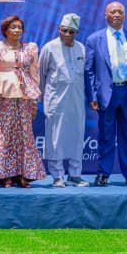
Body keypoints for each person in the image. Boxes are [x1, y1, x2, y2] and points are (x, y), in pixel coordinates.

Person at [84, 1, 127, 187]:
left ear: (124, 15)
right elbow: (89, 70)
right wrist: (92, 96)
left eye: (120, 11)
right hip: (107, 94)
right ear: (105, 15)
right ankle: (103, 174)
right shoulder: (94, 39)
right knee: (106, 136)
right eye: (113, 12)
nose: (116, 15)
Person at [0, 15, 45, 188]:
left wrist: (34, 100)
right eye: (13, 27)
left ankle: (24, 175)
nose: (17, 30)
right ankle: (4, 175)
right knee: (4, 133)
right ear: (5, 30)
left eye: (19, 27)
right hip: (2, 94)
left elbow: (34, 73)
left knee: (25, 134)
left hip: (24, 95)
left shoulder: (29, 48)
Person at [38, 13, 90, 188]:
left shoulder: (82, 49)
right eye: (64, 30)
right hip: (56, 101)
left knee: (77, 135)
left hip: (77, 101)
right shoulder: (49, 48)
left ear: (76, 33)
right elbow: (41, 75)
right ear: (59, 29)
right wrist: (42, 97)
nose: (67, 34)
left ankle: (75, 175)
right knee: (55, 137)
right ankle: (57, 176)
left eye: (71, 32)